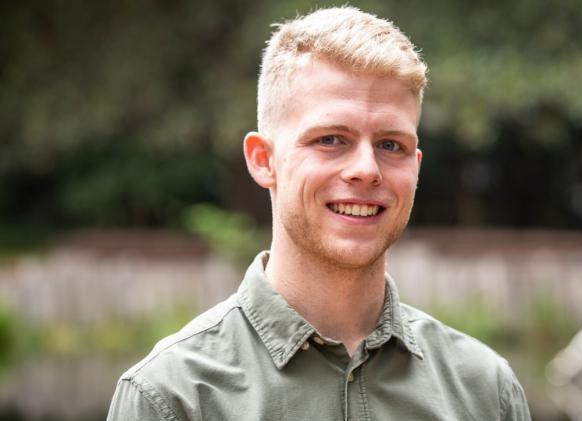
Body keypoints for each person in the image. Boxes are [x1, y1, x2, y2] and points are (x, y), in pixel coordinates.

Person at [107, 6, 531, 421]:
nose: (366, 169)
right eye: (331, 139)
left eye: (390, 145)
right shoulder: (170, 397)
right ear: (263, 160)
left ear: (415, 168)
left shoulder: (486, 391)